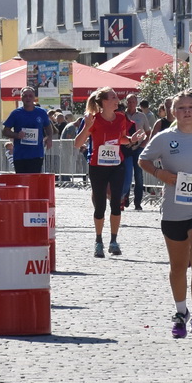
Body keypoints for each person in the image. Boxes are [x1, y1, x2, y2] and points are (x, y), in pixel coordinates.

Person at [140, 91, 192, 339]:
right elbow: (144, 160)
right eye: (181, 108)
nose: (186, 111)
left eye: (191, 107)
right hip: (174, 209)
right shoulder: (164, 138)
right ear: (172, 112)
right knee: (178, 266)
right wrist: (160, 174)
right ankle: (180, 312)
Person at [72, 88, 142, 257]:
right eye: (113, 97)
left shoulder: (120, 118)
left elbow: (121, 138)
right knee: (100, 205)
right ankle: (98, 241)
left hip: (116, 165)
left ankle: (114, 241)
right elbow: (77, 143)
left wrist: (131, 140)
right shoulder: (93, 119)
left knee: (116, 202)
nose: (117, 100)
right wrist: (87, 126)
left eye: (117, 97)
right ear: (104, 101)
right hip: (98, 166)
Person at [3, 87, 53, 174]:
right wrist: (16, 135)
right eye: (25, 96)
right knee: (22, 180)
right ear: (21, 98)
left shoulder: (41, 113)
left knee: (34, 179)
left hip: (36, 154)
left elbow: (48, 127)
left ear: (34, 98)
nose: (28, 98)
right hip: (20, 155)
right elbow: (5, 131)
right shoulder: (16, 113)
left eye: (30, 96)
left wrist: (49, 138)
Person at [123, 92, 156, 210]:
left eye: (133, 102)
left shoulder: (142, 116)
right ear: (126, 103)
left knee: (138, 175)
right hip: (126, 147)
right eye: (129, 102)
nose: (131, 104)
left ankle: (138, 202)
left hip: (138, 148)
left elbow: (148, 132)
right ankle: (125, 198)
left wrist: (143, 145)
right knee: (126, 174)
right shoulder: (122, 115)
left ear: (136, 103)